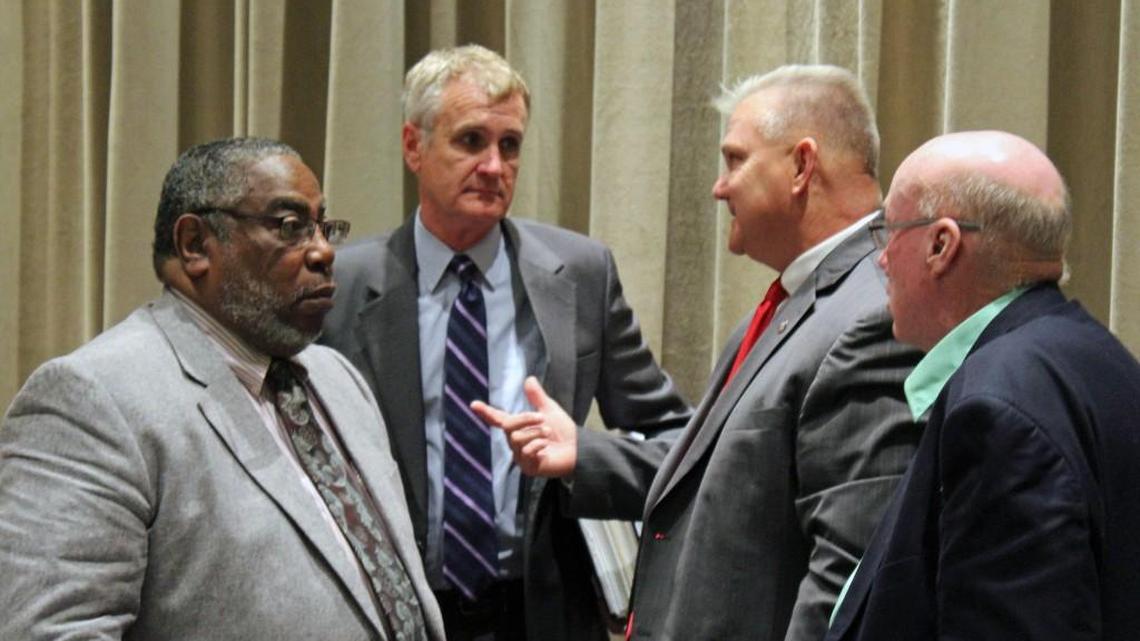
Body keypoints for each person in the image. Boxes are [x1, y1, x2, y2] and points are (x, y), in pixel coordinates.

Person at [474, 64, 923, 641]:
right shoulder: (790, 306)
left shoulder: (870, 316)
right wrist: (582, 454)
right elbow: (717, 475)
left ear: (801, 166)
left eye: (735, 159)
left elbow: (847, 573)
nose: (719, 185)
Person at [0, 137, 445, 641]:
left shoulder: (338, 380)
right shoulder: (92, 401)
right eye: (290, 226)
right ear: (195, 245)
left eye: (323, 226)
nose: (323, 251)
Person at [319, 45, 693, 641]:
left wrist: (585, 457)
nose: (494, 166)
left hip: (543, 613)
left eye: (510, 145)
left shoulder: (580, 274)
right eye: (470, 141)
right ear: (414, 146)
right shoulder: (339, 286)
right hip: (393, 613)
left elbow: (680, 447)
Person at [824, 130, 1140, 641]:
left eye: (888, 232)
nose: (881, 261)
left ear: (941, 246)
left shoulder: (995, 409)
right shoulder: (1093, 355)